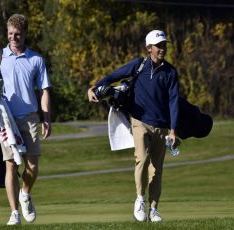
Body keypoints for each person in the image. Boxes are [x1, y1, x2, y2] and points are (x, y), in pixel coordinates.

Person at [87, 30, 179, 222]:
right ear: (149, 48)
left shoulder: (170, 72)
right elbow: (114, 76)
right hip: (139, 121)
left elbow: (173, 102)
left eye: (164, 45)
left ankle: (153, 209)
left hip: (161, 126)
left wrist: (173, 131)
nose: (162, 49)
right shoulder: (139, 65)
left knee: (156, 170)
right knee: (142, 159)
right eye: (158, 45)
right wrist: (94, 87)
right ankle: (140, 199)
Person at [0, 14, 51, 225]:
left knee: (33, 166)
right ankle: (14, 212)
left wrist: (46, 118)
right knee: (10, 165)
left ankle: (25, 193)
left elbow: (44, 91)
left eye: (17, 34)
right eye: (10, 34)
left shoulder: (36, 59)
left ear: (25, 34)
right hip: (6, 118)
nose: (13, 38)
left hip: (30, 117)